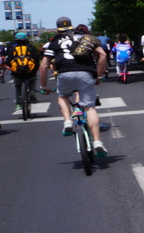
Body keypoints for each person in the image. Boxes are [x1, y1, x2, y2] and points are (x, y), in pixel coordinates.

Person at [38, 16, 108, 157]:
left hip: (65, 73)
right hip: (86, 73)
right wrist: (99, 75)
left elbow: (44, 66)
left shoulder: (54, 41)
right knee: (90, 108)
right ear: (72, 27)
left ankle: (68, 121)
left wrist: (44, 86)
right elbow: (102, 54)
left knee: (63, 96)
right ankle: (97, 142)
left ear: (58, 29)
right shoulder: (85, 38)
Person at [6, 31, 40, 110]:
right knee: (33, 80)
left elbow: (8, 61)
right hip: (30, 72)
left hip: (17, 73)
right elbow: (36, 60)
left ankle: (18, 103)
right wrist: (35, 69)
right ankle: (32, 92)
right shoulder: (31, 48)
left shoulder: (12, 49)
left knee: (17, 86)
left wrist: (12, 67)